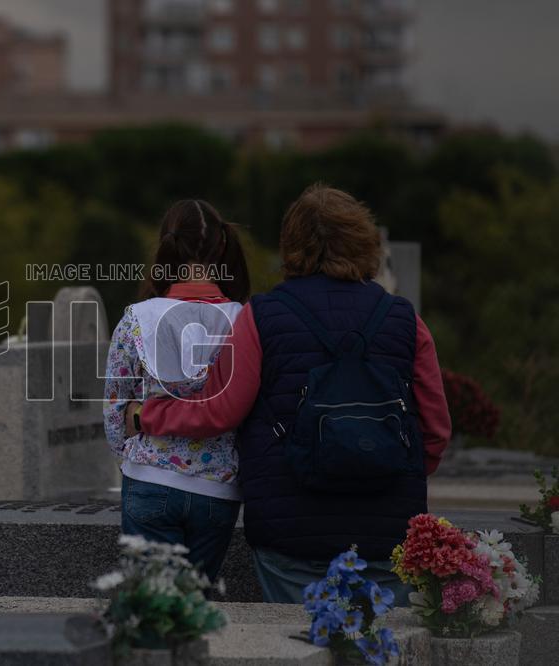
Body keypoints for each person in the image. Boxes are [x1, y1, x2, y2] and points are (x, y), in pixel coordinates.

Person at [127, 184, 451, 604]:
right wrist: (380, 467)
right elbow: (436, 431)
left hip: (290, 529)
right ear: (365, 241)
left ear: (292, 244)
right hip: (385, 532)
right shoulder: (405, 319)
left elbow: (222, 411)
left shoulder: (262, 316)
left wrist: (146, 416)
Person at [103, 199, 251, 582]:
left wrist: (133, 456)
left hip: (150, 477)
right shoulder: (245, 320)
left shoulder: (136, 319)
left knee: (153, 606)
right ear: (222, 246)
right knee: (195, 607)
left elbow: (115, 412)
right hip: (217, 487)